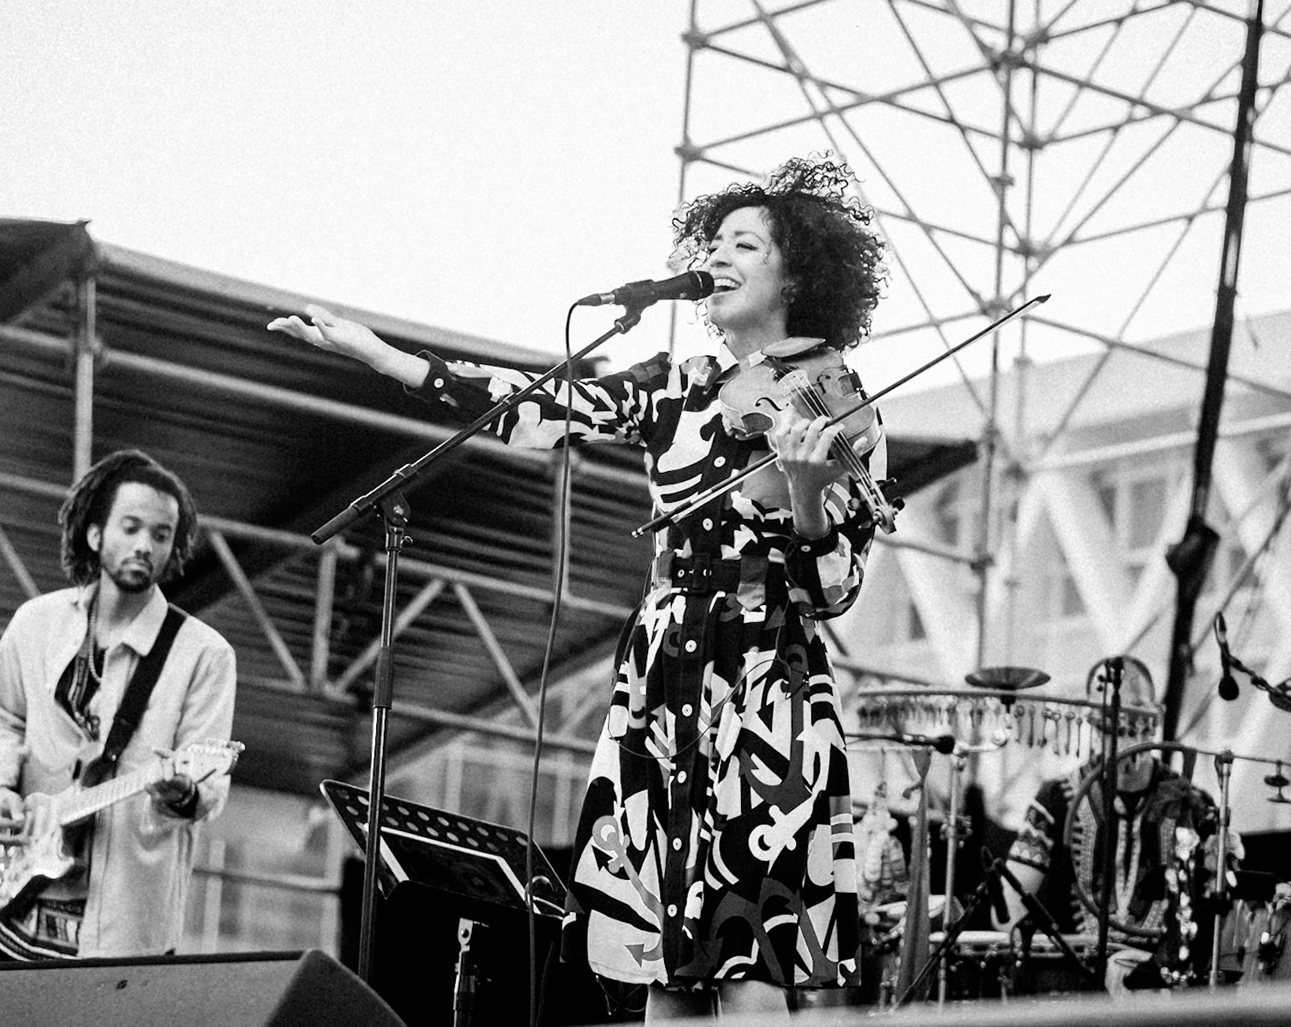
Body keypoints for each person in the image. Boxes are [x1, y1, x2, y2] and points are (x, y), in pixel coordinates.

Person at [269, 154, 890, 1018]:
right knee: (660, 984)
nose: (719, 256)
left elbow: (833, 591)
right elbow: (533, 407)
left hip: (763, 687)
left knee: (750, 970)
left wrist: (810, 497)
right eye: (713, 241)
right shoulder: (676, 392)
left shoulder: (838, 407)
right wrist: (381, 357)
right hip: (662, 683)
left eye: (744, 244)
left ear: (798, 274)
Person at [0, 448, 240, 959]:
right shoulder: (35, 623)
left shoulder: (204, 654)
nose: (144, 546)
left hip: (122, 930)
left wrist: (180, 792)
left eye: (160, 535)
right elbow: (3, 720)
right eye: (130, 528)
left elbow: (207, 785)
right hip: (21, 912)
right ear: (95, 535)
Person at [1001, 657, 1237, 987]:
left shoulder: (1193, 804)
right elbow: (1012, 906)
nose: (1122, 729)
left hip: (1162, 988)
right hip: (1076, 985)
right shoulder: (1055, 797)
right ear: (1091, 718)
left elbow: (1225, 910)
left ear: (1157, 716)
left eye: (1135, 713)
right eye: (1110, 719)